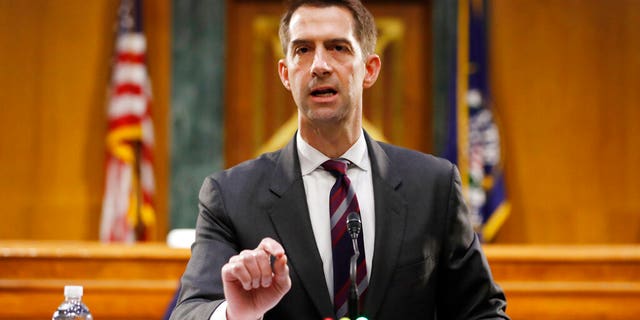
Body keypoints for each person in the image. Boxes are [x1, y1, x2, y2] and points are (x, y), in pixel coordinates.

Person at [170, 0, 509, 319]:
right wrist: (235, 314)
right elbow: (189, 311)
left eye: (338, 48)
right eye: (303, 50)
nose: (319, 65)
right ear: (286, 74)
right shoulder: (229, 196)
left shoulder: (434, 186)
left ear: (370, 69)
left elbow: (481, 311)